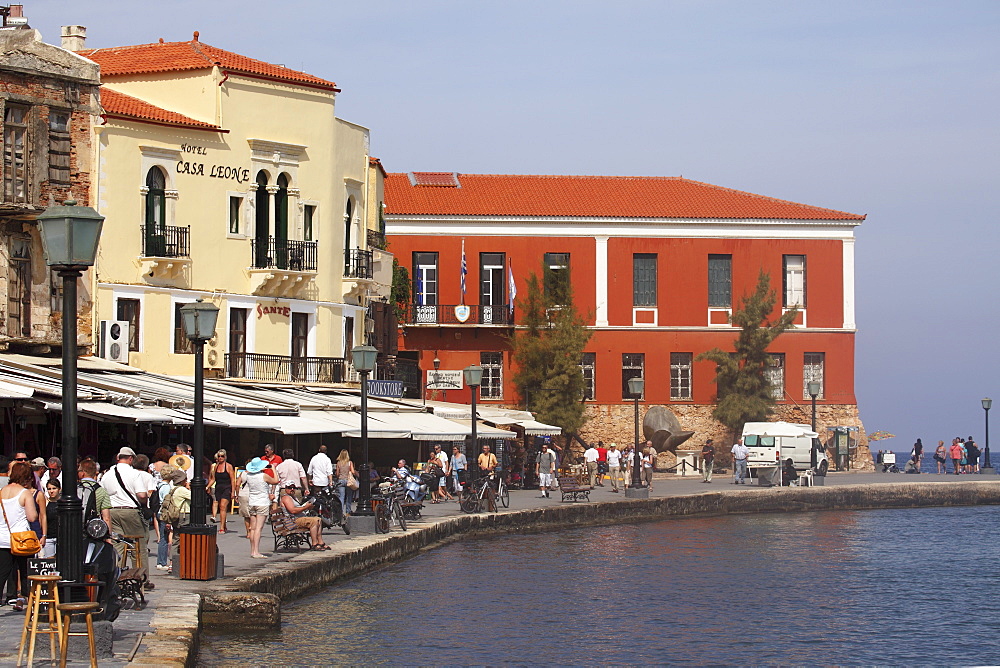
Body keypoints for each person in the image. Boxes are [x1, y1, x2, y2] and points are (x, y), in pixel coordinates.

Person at [101, 447, 151, 578]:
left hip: (111, 512)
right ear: (131, 458)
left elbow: (101, 494)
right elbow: (141, 495)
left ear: (118, 458)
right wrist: (145, 501)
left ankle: (117, 577)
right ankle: (141, 578)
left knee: (118, 546)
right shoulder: (134, 473)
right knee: (138, 547)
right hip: (130, 511)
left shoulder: (107, 475)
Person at [0, 462, 39, 613]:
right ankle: (29, 602)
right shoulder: (25, 493)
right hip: (23, 539)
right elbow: (32, 516)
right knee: (25, 572)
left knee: (2, 573)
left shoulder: (2, 492)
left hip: (3, 539)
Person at [241, 458, 278, 559]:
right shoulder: (263, 476)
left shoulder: (248, 476)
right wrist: (273, 469)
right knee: (258, 528)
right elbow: (276, 481)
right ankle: (256, 551)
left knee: (252, 528)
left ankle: (253, 550)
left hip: (252, 502)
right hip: (262, 502)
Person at [278, 485, 329, 550]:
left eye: (294, 488)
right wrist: (305, 507)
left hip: (298, 518)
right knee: (314, 521)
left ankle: (321, 542)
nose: (292, 489)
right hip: (292, 521)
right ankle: (314, 543)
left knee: (318, 519)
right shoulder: (286, 498)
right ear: (286, 489)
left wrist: (307, 507)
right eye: (290, 488)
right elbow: (292, 510)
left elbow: (298, 508)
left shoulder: (293, 497)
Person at [208, 449, 236, 533]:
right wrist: (207, 486)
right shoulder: (215, 466)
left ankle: (221, 527)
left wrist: (233, 491)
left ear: (225, 457)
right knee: (220, 507)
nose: (220, 458)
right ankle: (224, 525)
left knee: (223, 506)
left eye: (222, 456)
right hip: (218, 488)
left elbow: (232, 480)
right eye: (219, 456)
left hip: (227, 487)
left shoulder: (228, 466)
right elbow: (213, 479)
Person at [335, 449, 357, 517]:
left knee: (341, 497)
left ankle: (340, 512)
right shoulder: (350, 462)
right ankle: (348, 511)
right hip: (348, 481)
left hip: (341, 480)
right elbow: (353, 472)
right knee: (349, 496)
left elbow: (337, 473)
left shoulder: (338, 463)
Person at [42, 478, 60, 558]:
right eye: (49, 489)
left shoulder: (63, 503)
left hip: (61, 537)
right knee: (49, 561)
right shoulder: (45, 502)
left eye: (54, 488)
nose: (51, 491)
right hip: (49, 537)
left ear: (59, 489)